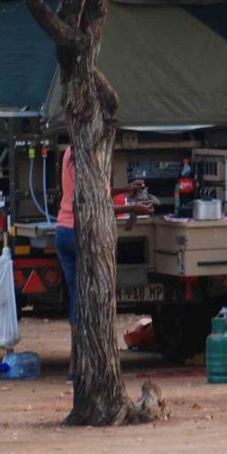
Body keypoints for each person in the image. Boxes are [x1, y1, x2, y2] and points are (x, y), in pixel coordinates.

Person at [56, 145, 152, 381]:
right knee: (89, 301)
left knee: (77, 299)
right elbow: (92, 204)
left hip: (63, 229)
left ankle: (75, 367)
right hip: (80, 233)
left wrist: (124, 189)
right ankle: (81, 367)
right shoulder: (86, 154)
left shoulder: (70, 151)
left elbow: (93, 193)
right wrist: (132, 207)